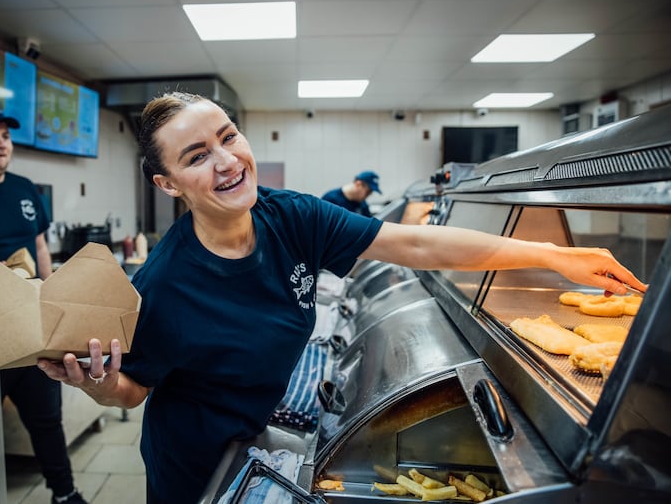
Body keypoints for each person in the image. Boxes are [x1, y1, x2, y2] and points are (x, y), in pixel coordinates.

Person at [36, 92, 646, 504]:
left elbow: (418, 245)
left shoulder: (292, 217)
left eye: (228, 137)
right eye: (197, 157)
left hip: (252, 431)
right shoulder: (164, 284)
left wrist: (559, 257)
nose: (226, 162)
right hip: (194, 465)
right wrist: (95, 384)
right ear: (167, 183)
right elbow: (135, 388)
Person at [0, 107, 87, 504]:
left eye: (5, 136)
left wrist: (50, 299)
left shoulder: (25, 188)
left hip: (31, 326)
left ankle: (64, 493)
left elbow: (41, 246)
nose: (0, 142)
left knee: (47, 416)